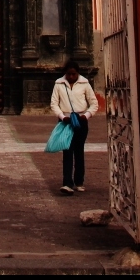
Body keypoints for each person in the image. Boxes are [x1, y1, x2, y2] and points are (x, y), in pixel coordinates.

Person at [50, 59, 99, 195]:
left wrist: (86, 115)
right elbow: (54, 103)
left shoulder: (85, 84)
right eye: (69, 74)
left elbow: (94, 103)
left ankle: (79, 181)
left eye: (73, 74)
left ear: (78, 73)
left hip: (81, 120)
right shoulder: (59, 84)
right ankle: (67, 183)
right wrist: (62, 116)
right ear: (65, 73)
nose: (71, 77)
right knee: (67, 151)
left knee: (79, 151)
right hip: (65, 121)